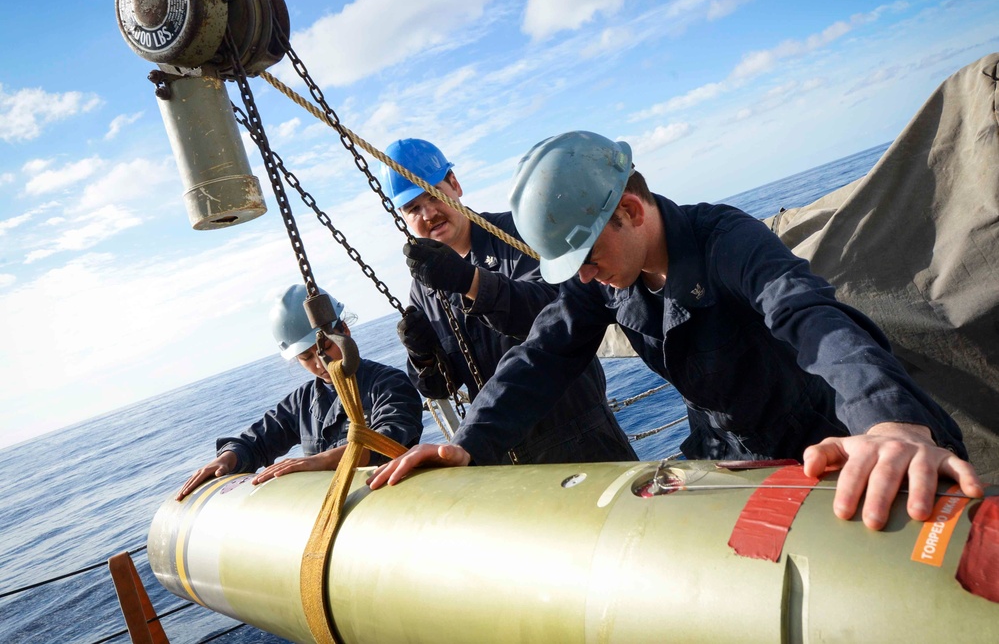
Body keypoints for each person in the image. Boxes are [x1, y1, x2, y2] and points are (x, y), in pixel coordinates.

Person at [369, 131, 983, 531]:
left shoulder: (727, 241)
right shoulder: (603, 274)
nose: (583, 277)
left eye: (585, 257)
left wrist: (890, 421)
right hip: (728, 463)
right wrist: (468, 442)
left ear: (632, 213)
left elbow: (811, 317)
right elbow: (543, 353)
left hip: (824, 442)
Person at [380, 137, 636, 465]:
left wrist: (470, 281)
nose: (428, 213)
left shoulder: (519, 231)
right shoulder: (425, 288)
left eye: (433, 193)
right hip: (500, 454)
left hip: (580, 435)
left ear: (455, 184)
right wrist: (423, 358)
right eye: (413, 207)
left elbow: (556, 315)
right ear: (403, 217)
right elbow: (441, 387)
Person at [177, 284, 423, 499]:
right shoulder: (302, 402)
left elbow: (389, 439)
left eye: (325, 347)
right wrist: (227, 458)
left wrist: (316, 462)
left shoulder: (389, 383)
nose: (321, 363)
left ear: (344, 331)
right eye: (306, 357)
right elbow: (258, 441)